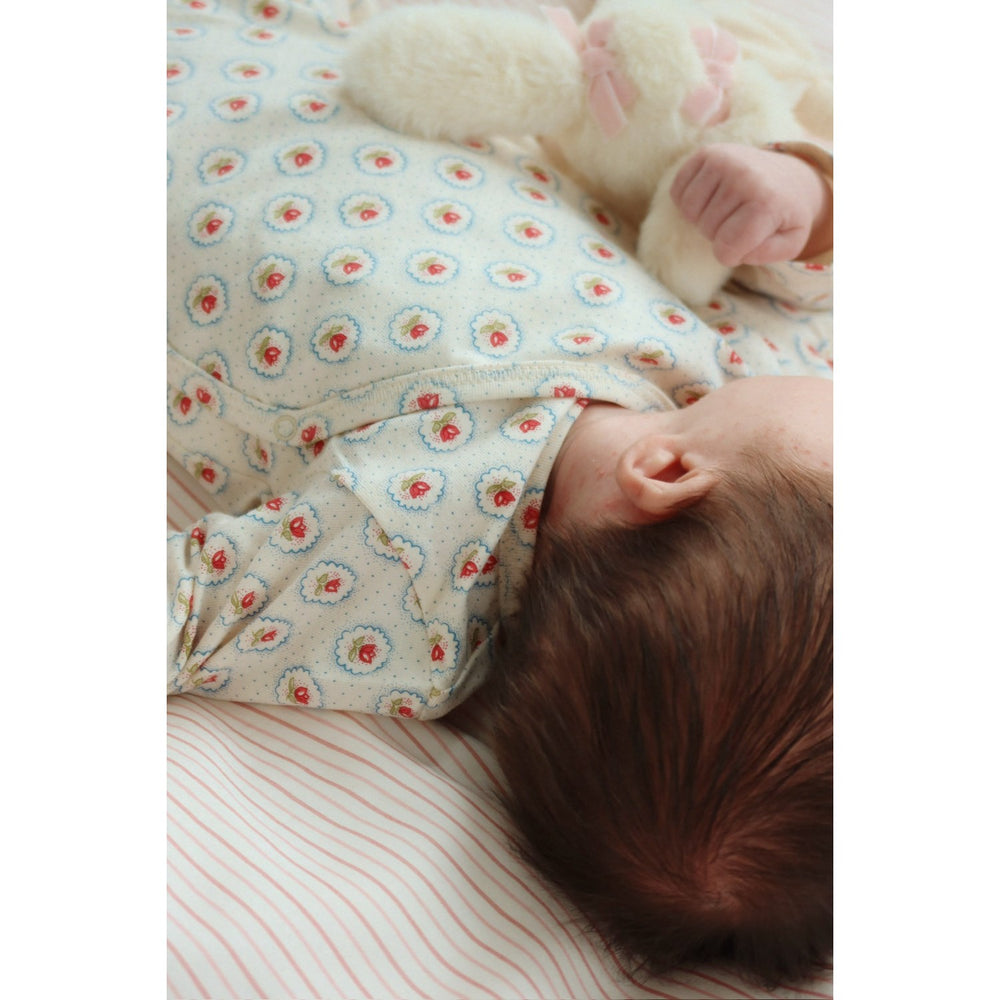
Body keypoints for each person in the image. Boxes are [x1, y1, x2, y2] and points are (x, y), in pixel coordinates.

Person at [166, 0, 832, 984]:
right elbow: (797, 276)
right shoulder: (726, 394)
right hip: (470, 83)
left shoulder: (405, 554)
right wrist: (800, 198)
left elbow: (182, 610)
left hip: (227, 93)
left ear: (668, 476)